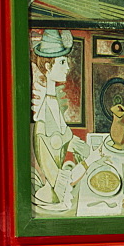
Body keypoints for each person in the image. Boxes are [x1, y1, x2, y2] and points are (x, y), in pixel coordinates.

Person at [30, 29, 92, 210]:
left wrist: (93, 150)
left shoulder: (53, 103)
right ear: (48, 67)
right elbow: (60, 181)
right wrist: (91, 160)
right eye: (63, 62)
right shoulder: (43, 120)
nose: (68, 67)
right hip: (52, 201)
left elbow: (68, 140)